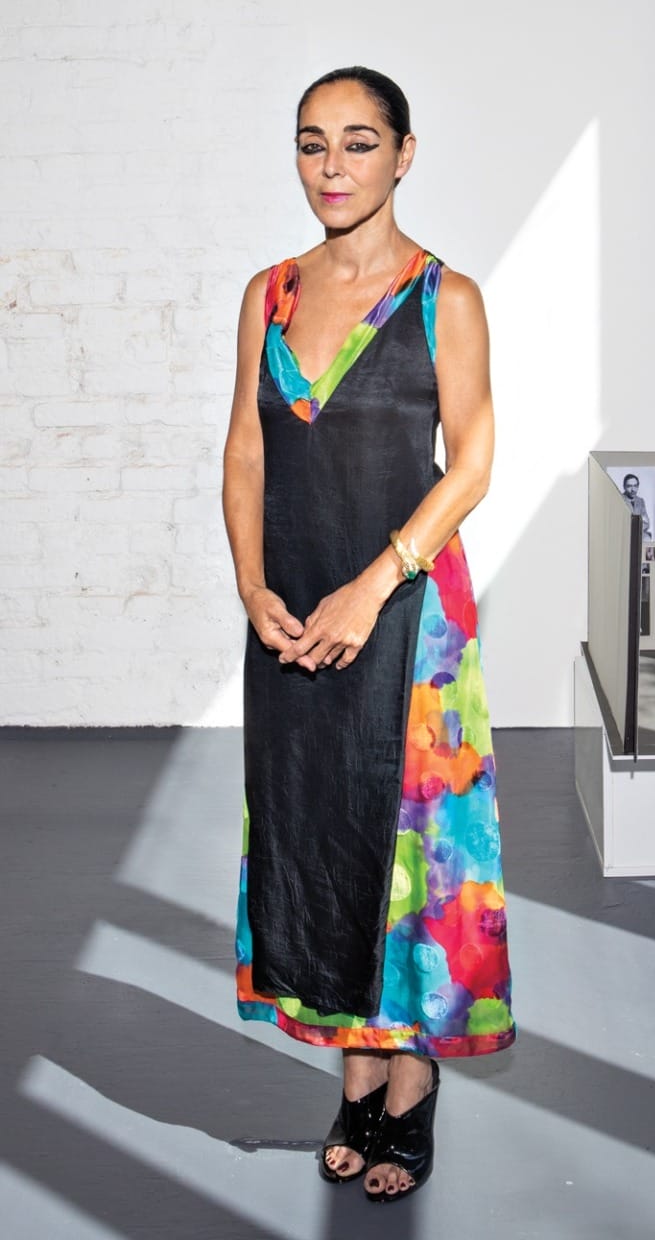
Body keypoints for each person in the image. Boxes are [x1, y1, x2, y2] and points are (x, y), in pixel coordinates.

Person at [222, 66, 515, 1202]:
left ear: (403, 153)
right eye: (311, 144)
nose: (331, 168)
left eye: (356, 143)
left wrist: (371, 586)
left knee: (408, 844)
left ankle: (408, 1082)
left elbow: (474, 461)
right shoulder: (270, 294)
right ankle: (356, 1070)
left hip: (407, 618)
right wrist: (254, 586)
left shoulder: (447, 297)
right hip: (290, 609)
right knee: (318, 831)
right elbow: (246, 451)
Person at [619, 473, 652, 538]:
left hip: (638, 533)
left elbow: (646, 523)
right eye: (629, 486)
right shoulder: (619, 499)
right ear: (624, 487)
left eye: (635, 486)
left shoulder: (640, 501)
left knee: (647, 538)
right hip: (624, 535)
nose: (633, 489)